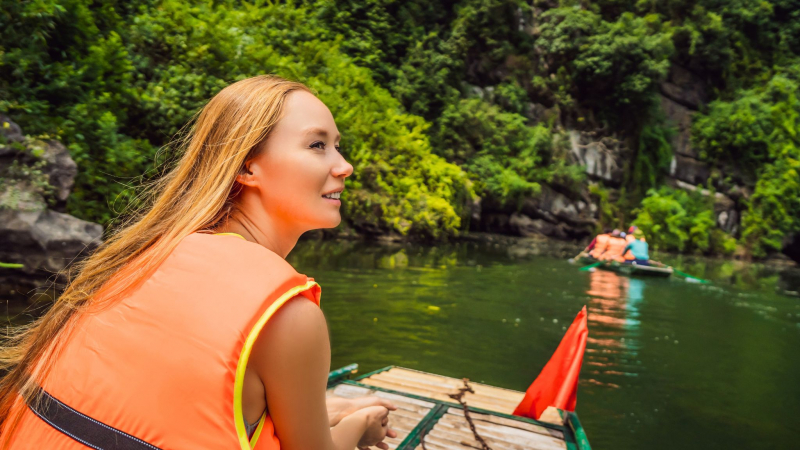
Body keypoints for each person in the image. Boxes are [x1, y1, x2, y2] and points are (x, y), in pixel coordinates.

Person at [0, 76, 397, 449]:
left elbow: (173, 403)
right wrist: (361, 425)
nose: (344, 166)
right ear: (246, 167)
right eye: (317, 145)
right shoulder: (290, 317)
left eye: (337, 145)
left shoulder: (142, 256)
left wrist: (331, 411)